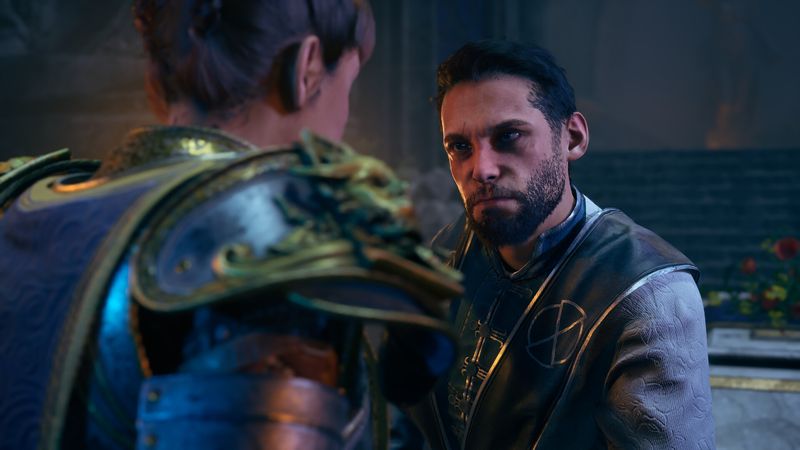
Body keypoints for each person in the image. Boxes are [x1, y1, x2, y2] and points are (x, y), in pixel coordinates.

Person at [0, 1, 460, 449]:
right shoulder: (268, 239)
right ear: (307, 68)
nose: (343, 116)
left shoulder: (22, 200)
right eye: (349, 85)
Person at [399, 40, 715, 449]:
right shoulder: (443, 258)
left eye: (509, 136)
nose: (482, 169)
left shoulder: (650, 294)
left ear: (572, 137)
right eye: (460, 147)